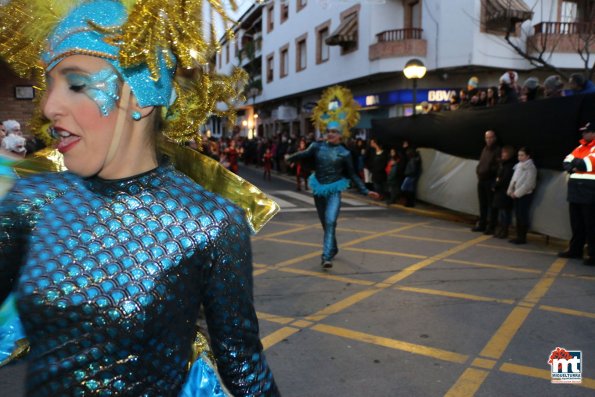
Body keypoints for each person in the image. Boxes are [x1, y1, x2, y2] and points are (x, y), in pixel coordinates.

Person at [0, 1, 279, 396]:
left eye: (76, 84)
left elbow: (244, 366)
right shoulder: (31, 203)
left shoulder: (209, 222)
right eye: (50, 86)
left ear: (140, 96)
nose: (48, 107)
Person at [286, 86, 379, 269]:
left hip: (334, 190)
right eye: (328, 131)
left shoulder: (344, 153)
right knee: (325, 223)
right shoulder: (317, 146)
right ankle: (333, 247)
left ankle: (326, 256)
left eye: (334, 132)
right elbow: (303, 154)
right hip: (318, 188)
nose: (330, 134)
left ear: (341, 134)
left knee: (330, 221)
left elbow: (353, 174)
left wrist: (366, 191)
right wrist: (290, 158)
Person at [558, 121, 595, 266]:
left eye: (586, 132)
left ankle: (593, 255)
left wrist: (575, 164)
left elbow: (587, 164)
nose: (583, 134)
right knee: (577, 224)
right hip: (576, 191)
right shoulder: (581, 147)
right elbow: (566, 161)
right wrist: (573, 164)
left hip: (590, 192)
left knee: (591, 225)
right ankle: (575, 250)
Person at [507, 147, 537, 244]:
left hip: (524, 195)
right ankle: (518, 236)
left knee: (522, 215)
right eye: (518, 155)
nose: (519, 157)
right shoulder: (518, 166)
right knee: (518, 215)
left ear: (528, 156)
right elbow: (514, 180)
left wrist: (516, 193)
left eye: (522, 155)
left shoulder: (531, 168)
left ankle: (522, 237)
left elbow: (529, 184)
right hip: (515, 194)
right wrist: (511, 190)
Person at [473, 130, 501, 234]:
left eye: (490, 137)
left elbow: (497, 167)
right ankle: (482, 224)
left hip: (490, 180)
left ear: (494, 138)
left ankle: (491, 226)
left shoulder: (497, 150)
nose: (488, 140)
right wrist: (478, 170)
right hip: (481, 180)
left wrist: (489, 172)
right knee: (482, 204)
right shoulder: (485, 149)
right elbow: (481, 162)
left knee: (491, 205)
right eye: (487, 138)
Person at [492, 145, 516, 239]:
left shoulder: (509, 166)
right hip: (500, 192)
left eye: (504, 153)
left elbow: (505, 179)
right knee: (501, 212)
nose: (502, 154)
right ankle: (501, 229)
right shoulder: (503, 164)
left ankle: (504, 230)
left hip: (505, 192)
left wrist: (496, 184)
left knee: (505, 213)